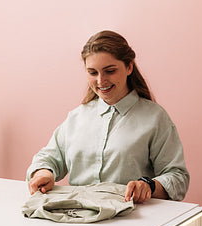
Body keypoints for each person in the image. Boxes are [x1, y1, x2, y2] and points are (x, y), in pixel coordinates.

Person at [27, 30, 189, 203]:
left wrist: (149, 185)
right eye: (92, 72)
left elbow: (178, 178)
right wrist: (44, 172)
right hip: (78, 219)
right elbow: (48, 158)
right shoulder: (77, 117)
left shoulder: (155, 118)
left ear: (129, 67)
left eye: (110, 71)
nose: (101, 81)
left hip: (133, 222)